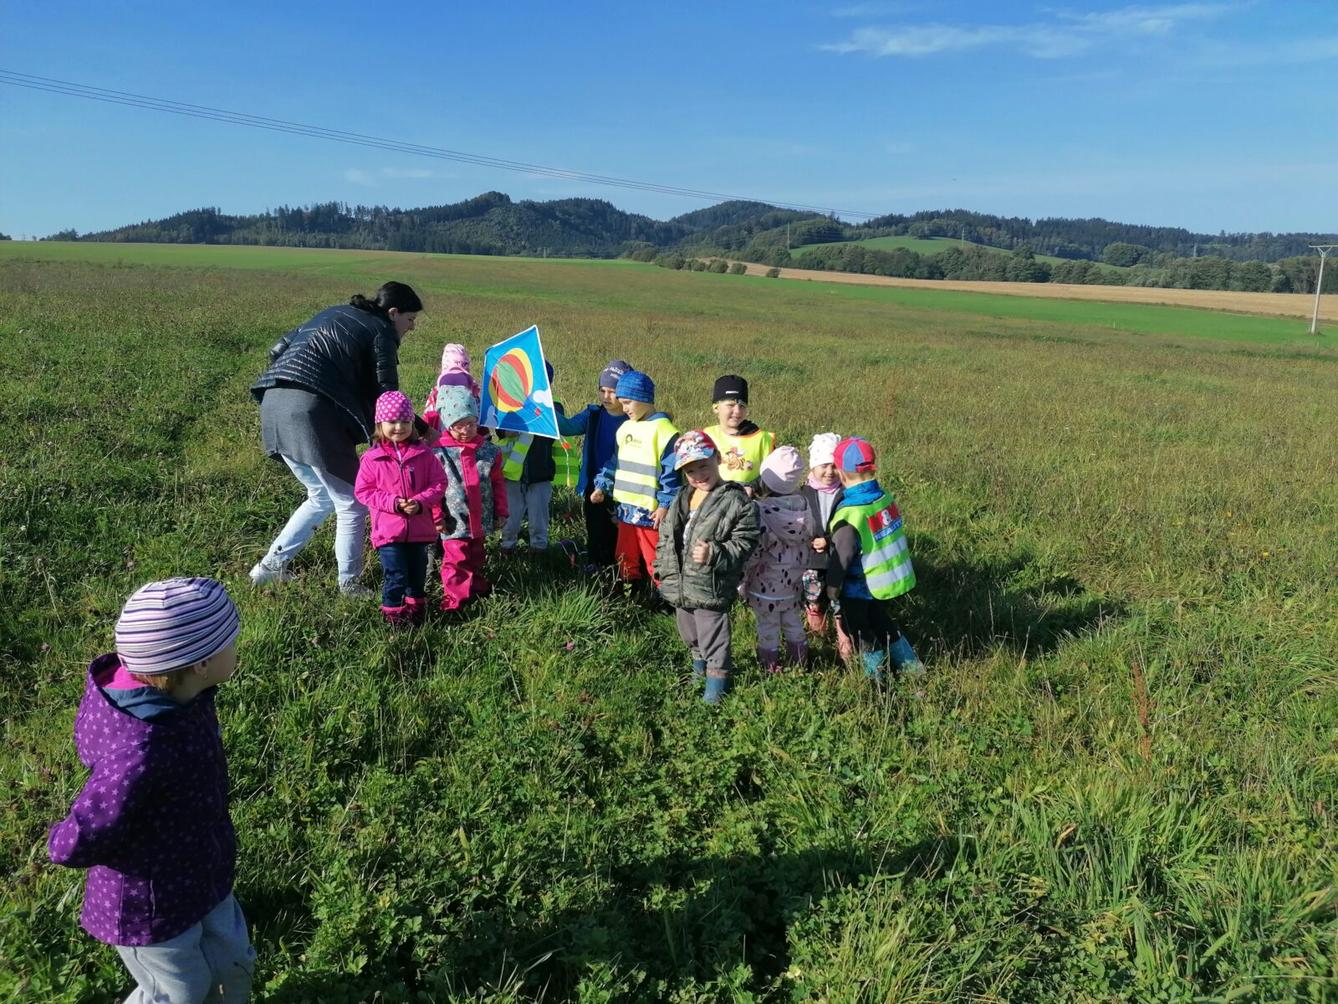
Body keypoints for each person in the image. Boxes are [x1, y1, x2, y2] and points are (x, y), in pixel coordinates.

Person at [48, 578, 255, 1003]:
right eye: (230, 642)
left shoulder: (187, 693)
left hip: (203, 868)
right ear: (199, 663)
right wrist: (66, 840)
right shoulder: (139, 752)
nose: (237, 649)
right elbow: (81, 835)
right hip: (151, 904)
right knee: (179, 991)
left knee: (234, 963)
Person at [249, 281, 424, 596]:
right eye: (410, 319)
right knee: (353, 502)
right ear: (394, 312)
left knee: (320, 495)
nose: (412, 327)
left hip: (274, 402)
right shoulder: (381, 330)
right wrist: (422, 431)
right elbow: (387, 395)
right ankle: (349, 585)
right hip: (312, 414)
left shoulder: (336, 312)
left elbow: (277, 350)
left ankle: (268, 569)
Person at [656, 430, 760, 703]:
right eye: (690, 470)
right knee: (689, 631)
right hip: (680, 580)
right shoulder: (682, 496)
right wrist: (662, 567)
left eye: (703, 465)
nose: (699, 474)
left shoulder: (735, 500)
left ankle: (717, 683)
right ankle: (699, 669)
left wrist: (715, 552)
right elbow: (667, 534)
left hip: (710, 582)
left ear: (717, 458)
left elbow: (746, 541)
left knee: (712, 633)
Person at [825, 437, 925, 684]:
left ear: (841, 472)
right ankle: (913, 671)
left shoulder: (850, 513)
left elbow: (842, 557)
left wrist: (832, 587)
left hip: (858, 588)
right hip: (885, 582)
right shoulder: (883, 498)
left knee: (862, 635)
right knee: (886, 626)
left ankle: (878, 682)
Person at [353, 391, 446, 625]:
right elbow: (364, 491)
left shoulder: (424, 454)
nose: (398, 427)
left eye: (405, 421)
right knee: (395, 574)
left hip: (419, 531)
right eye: (392, 422)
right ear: (379, 424)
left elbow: (439, 483)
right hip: (388, 532)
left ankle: (416, 612)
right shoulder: (372, 458)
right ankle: (394, 616)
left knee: (417, 573)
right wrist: (393, 503)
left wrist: (421, 502)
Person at [590, 370, 680, 595]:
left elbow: (671, 474)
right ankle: (632, 591)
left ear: (645, 399)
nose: (625, 408)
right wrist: (602, 485)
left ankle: (664, 596)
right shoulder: (625, 428)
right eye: (622, 403)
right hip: (625, 509)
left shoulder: (665, 431)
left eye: (628, 402)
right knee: (625, 553)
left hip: (651, 512)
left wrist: (665, 504)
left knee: (654, 556)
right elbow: (615, 463)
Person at [430, 386, 507, 610]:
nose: (466, 430)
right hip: (454, 520)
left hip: (480, 518)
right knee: (456, 559)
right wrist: (437, 517)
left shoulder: (489, 451)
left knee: (477, 554)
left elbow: (498, 484)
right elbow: (434, 489)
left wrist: (501, 511)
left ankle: (477, 586)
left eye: (471, 423)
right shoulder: (439, 453)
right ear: (448, 424)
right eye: (458, 425)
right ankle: (455, 601)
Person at [553, 359, 631, 571]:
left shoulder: (632, 421)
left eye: (612, 391)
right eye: (602, 390)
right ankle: (595, 564)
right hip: (592, 484)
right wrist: (547, 410)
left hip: (619, 487)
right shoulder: (593, 414)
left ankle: (618, 568)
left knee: (615, 529)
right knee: (594, 525)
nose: (606, 396)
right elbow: (568, 427)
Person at [743, 446, 815, 673]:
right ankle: (800, 660)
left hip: (766, 583)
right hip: (793, 581)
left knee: (768, 625)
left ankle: (770, 664)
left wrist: (743, 576)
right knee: (793, 621)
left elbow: (754, 552)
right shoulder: (805, 507)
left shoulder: (761, 512)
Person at [497, 362, 572, 556]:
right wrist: (508, 428)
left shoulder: (553, 408)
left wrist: (541, 411)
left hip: (540, 473)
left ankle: (539, 548)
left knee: (539, 516)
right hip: (512, 473)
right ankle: (507, 545)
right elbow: (500, 431)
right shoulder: (511, 409)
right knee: (512, 514)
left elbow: (557, 428)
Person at [800, 432, 854, 661]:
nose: (829, 472)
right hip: (810, 557)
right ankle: (815, 616)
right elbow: (795, 523)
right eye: (823, 466)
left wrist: (829, 539)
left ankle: (843, 632)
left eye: (834, 466)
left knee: (839, 594)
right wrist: (809, 539)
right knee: (812, 588)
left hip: (837, 556)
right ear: (813, 467)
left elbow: (851, 524)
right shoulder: (803, 493)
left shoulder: (845, 494)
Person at [703, 374, 775, 489]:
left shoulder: (762, 438)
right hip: (714, 500)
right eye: (730, 405)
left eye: (742, 406)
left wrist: (753, 488)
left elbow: (772, 478)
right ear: (716, 407)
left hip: (751, 501)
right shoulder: (705, 436)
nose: (737, 411)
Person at [423, 343, 480, 434]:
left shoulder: (472, 393)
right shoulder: (436, 394)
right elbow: (429, 416)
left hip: (467, 434)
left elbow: (478, 415)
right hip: (444, 436)